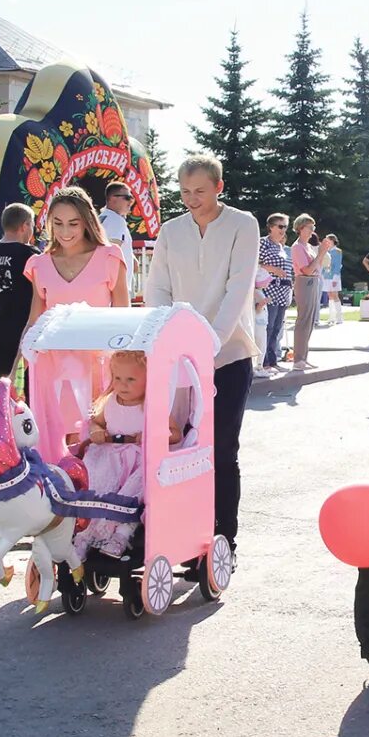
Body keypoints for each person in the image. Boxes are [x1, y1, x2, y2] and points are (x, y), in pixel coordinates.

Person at [144, 155, 260, 555]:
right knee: (177, 448)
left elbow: (238, 288)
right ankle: (183, 533)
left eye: (200, 191)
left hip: (227, 355)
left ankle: (224, 538)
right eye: (185, 191)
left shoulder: (242, 225)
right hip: (177, 360)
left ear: (218, 188)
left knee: (223, 449)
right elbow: (157, 286)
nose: (192, 199)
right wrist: (163, 338)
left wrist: (207, 343)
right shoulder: (171, 231)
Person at [24, 187, 130, 398]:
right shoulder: (39, 264)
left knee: (97, 429)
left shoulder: (110, 257)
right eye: (58, 223)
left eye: (73, 223)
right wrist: (20, 364)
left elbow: (123, 318)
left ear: (87, 221)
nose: (65, 232)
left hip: (100, 368)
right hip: (52, 367)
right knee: (56, 429)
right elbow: (34, 321)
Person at [74, 349, 172, 565]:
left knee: (133, 492)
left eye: (130, 379)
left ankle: (121, 535)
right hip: (110, 456)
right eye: (117, 378)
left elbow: (174, 433)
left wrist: (151, 435)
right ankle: (85, 535)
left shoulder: (151, 405)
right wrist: (96, 430)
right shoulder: (110, 401)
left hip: (137, 458)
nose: (123, 384)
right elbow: (96, 422)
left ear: (148, 379)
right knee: (97, 489)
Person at [0, 203, 39, 383]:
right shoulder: (29, 255)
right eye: (32, 225)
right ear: (24, 226)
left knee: (6, 384)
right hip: (25, 329)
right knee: (27, 388)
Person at [258, 214, 294, 372]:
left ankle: (273, 361)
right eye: (280, 226)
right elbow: (255, 263)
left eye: (285, 227)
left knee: (277, 328)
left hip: (283, 290)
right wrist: (274, 270)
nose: (283, 230)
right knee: (268, 327)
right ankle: (264, 362)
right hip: (270, 289)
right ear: (270, 226)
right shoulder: (263, 242)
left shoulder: (281, 246)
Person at [288, 214, 322, 369]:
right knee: (303, 320)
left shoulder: (307, 246)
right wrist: (321, 253)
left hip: (312, 282)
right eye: (310, 228)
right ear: (301, 228)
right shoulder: (297, 247)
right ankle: (298, 359)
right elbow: (307, 270)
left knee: (309, 320)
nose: (312, 231)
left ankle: (303, 357)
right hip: (304, 281)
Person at [98, 182, 138, 302]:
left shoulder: (102, 218)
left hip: (104, 285)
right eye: (127, 198)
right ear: (112, 199)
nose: (131, 202)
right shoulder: (116, 220)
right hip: (116, 287)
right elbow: (113, 251)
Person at [321, 233, 344, 326]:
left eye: (328, 240)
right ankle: (331, 317)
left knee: (335, 295)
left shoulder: (337, 251)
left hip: (334, 276)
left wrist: (335, 278)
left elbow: (338, 265)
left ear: (333, 241)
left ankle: (339, 317)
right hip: (326, 275)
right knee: (329, 295)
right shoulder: (326, 251)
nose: (327, 242)